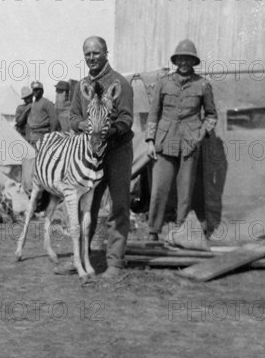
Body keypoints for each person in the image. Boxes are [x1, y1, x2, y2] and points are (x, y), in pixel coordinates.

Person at [68, 36, 135, 279]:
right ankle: (80, 257)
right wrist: (84, 124)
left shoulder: (120, 84)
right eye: (87, 53)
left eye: (96, 53)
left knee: (118, 205)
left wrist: (108, 130)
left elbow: (127, 119)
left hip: (116, 151)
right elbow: (72, 116)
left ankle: (115, 263)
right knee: (86, 206)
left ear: (106, 53)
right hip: (90, 155)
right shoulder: (82, 86)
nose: (91, 58)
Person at [145, 39, 218, 241]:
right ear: (175, 60)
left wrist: (200, 134)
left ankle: (180, 232)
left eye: (188, 59)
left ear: (194, 61)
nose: (184, 62)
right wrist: (150, 140)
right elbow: (153, 113)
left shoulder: (203, 85)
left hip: (190, 142)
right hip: (164, 140)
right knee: (159, 189)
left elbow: (212, 115)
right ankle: (153, 231)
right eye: (180, 59)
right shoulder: (163, 83)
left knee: (185, 191)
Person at [26, 81, 58, 145]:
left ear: (42, 91)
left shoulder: (47, 103)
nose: (35, 92)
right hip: (33, 135)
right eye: (34, 90)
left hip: (42, 135)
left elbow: (54, 120)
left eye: (37, 90)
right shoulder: (33, 104)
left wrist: (51, 136)